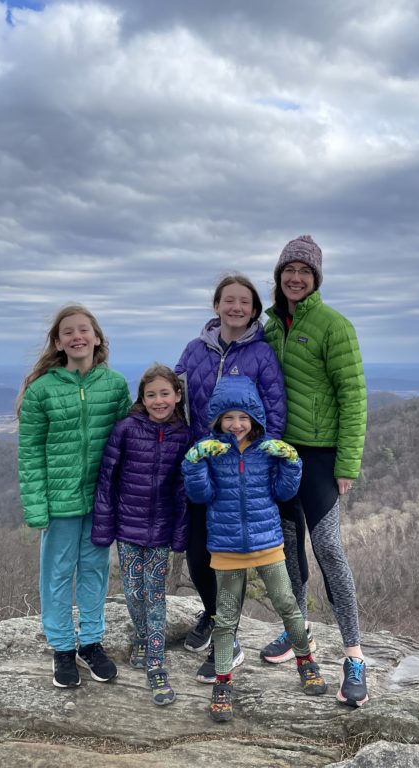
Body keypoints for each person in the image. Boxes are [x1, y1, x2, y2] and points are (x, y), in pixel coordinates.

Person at [262, 235, 370, 707]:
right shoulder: (268, 327)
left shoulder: (334, 325)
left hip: (323, 456)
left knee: (328, 549)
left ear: (316, 278)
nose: (296, 277)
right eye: (290, 269)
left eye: (305, 271)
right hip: (281, 454)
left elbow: (354, 399)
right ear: (279, 276)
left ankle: (354, 655)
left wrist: (347, 464)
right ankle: (297, 632)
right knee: (288, 549)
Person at [182, 376, 327, 722]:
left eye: (243, 418)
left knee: (288, 606)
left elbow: (283, 493)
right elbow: (200, 496)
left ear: (255, 420)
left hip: (267, 544)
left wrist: (292, 462)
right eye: (229, 418)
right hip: (227, 547)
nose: (236, 425)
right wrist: (194, 463)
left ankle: (306, 662)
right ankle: (222, 683)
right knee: (225, 619)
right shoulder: (212, 451)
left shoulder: (266, 450)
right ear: (217, 419)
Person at [174, 273, 288, 683]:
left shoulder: (262, 354)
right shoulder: (193, 350)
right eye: (229, 300)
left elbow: (274, 413)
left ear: (254, 309)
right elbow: (176, 400)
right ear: (217, 305)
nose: (236, 308)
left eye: (245, 302)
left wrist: (259, 461)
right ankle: (213, 613)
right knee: (197, 547)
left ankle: (231, 639)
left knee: (231, 556)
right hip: (202, 463)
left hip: (241, 468)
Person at [17, 304, 131, 689]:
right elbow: (30, 452)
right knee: (57, 575)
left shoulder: (115, 385)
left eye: (84, 330)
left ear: (97, 337)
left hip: (100, 501)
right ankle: (63, 649)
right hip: (59, 501)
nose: (77, 336)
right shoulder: (42, 389)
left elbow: (127, 443)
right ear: (58, 342)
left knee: (95, 573)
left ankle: (92, 644)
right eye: (68, 332)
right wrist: (36, 506)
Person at [91, 364, 191, 706]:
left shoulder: (184, 435)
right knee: (133, 591)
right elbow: (107, 480)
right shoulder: (126, 430)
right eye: (151, 395)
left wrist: (180, 535)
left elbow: (183, 490)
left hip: (161, 529)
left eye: (165, 393)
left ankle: (156, 661)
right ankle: (145, 637)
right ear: (142, 398)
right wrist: (104, 526)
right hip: (127, 528)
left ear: (178, 396)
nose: (159, 401)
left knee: (156, 593)